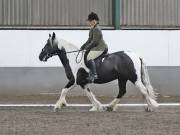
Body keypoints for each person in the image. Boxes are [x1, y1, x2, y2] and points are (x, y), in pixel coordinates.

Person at [80, 12, 108, 83]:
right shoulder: (92, 28)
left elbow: (95, 42)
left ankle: (94, 74)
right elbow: (89, 40)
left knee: (89, 57)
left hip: (100, 47)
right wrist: (83, 46)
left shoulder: (96, 29)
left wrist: (87, 47)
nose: (89, 23)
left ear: (94, 21)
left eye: (89, 21)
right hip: (96, 47)